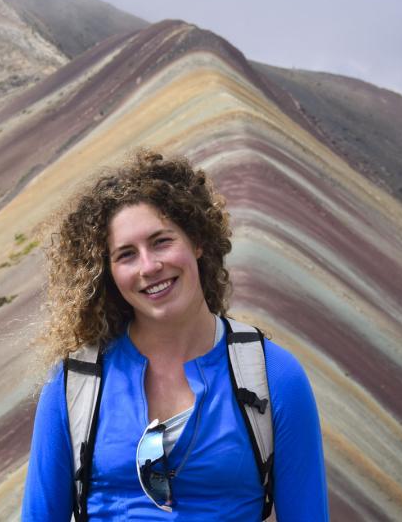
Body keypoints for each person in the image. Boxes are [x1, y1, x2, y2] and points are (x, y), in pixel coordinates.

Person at [22, 150, 328, 520]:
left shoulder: (273, 376)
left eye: (162, 241)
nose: (149, 267)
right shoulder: (75, 384)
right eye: (126, 255)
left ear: (197, 241)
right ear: (107, 273)